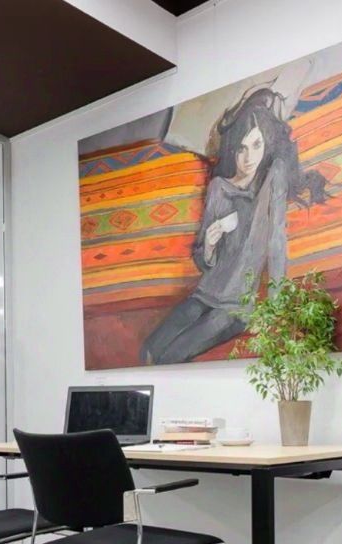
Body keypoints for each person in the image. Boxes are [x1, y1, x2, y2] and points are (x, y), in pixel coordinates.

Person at [140, 88, 329, 365]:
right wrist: (210, 244)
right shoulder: (219, 188)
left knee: (172, 355)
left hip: (236, 308)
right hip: (204, 293)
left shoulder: (271, 180)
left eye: (256, 145)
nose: (248, 157)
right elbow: (202, 261)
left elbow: (276, 242)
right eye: (241, 148)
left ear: (266, 146)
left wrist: (276, 305)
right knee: (150, 349)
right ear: (233, 150)